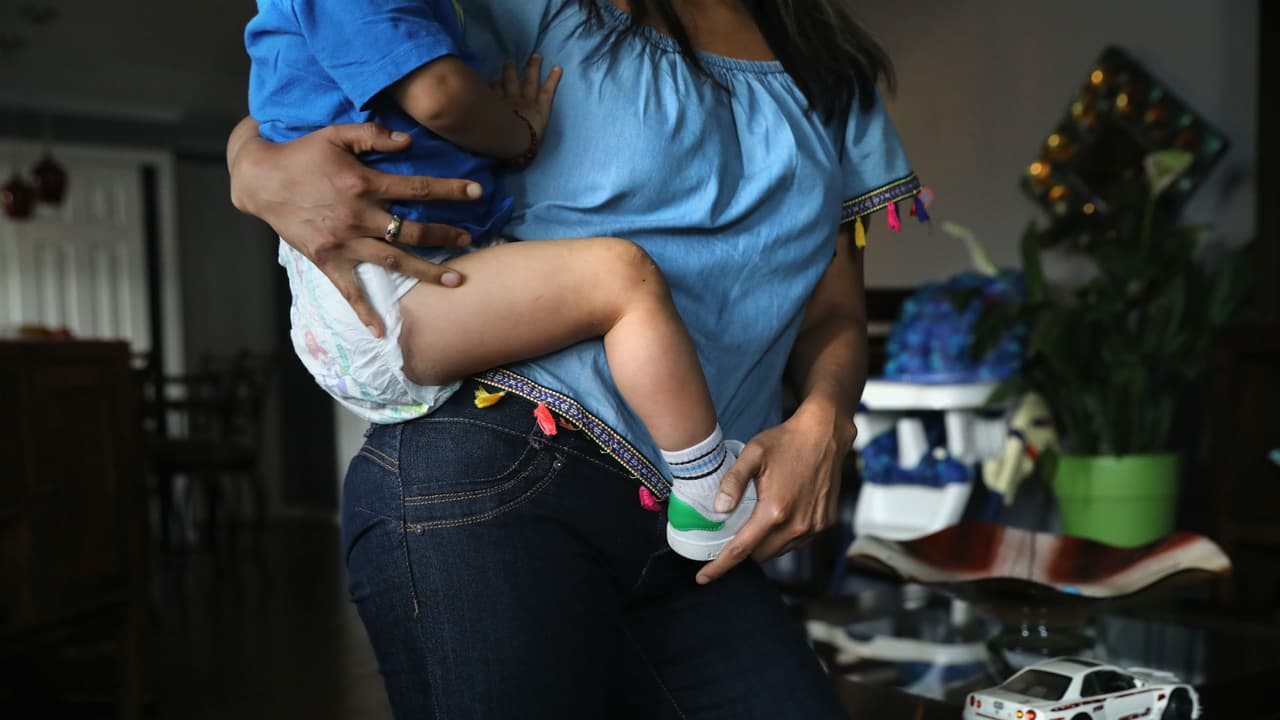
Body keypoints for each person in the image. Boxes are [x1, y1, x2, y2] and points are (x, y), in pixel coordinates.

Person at [227, 0, 921, 716]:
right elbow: (342, 66)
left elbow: (835, 311)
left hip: (703, 511)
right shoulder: (527, 7)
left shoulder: (831, 69)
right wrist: (250, 162)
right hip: (503, 466)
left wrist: (825, 420)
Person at [245, 0, 755, 560]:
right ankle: (708, 492)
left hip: (402, 269)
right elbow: (438, 96)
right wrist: (519, 134)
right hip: (384, 285)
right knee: (623, 278)